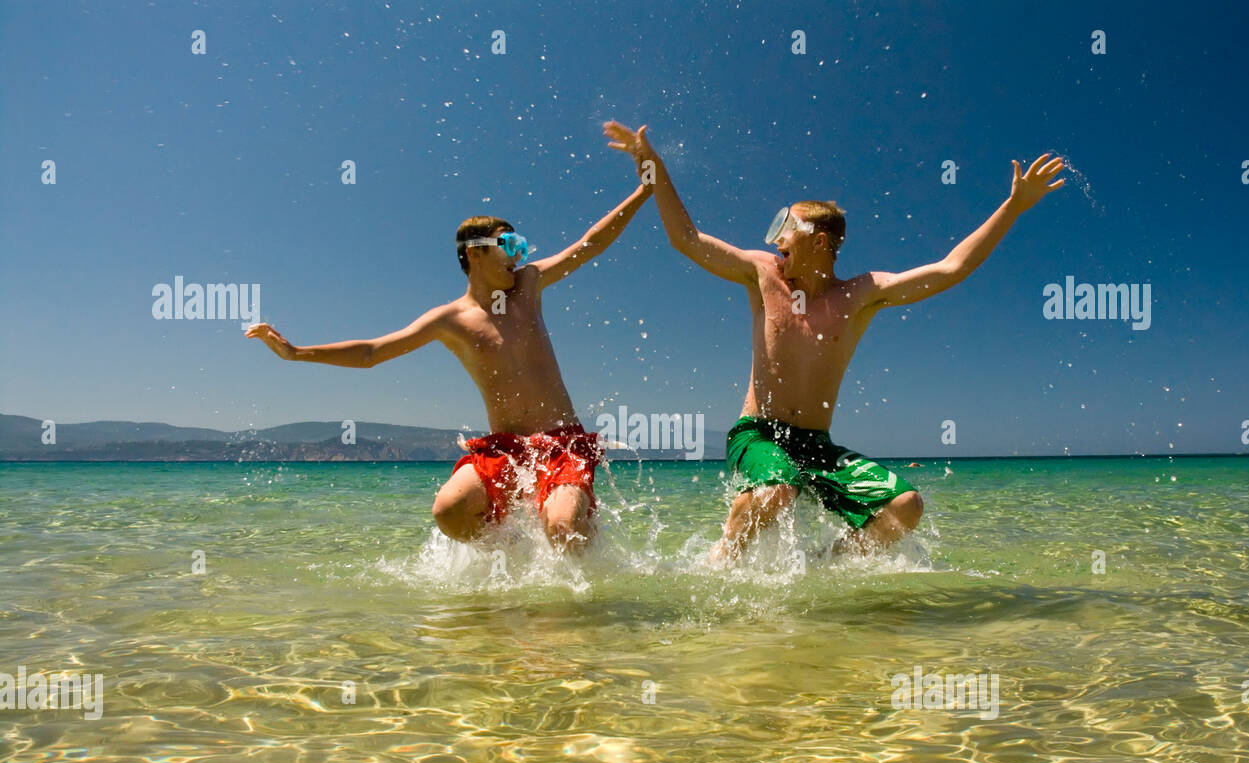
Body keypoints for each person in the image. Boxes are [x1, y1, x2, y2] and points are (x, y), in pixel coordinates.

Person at [604, 120, 1064, 563]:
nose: (776, 238)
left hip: (816, 445)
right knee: (776, 489)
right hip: (759, 434)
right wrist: (653, 167)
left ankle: (826, 568)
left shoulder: (862, 294)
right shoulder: (762, 274)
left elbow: (951, 269)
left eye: (787, 227)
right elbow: (686, 239)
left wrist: (1014, 207)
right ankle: (720, 566)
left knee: (905, 506)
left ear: (820, 241)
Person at [246, 173, 653, 552]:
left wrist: (642, 192)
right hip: (505, 450)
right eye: (509, 246)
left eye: (522, 247)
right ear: (474, 254)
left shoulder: (529, 285)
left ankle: (583, 606)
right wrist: (296, 353)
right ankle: (511, 557)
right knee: (449, 511)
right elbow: (372, 353)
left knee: (562, 528)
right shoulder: (450, 320)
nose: (520, 255)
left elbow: (590, 244)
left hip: (560, 442)